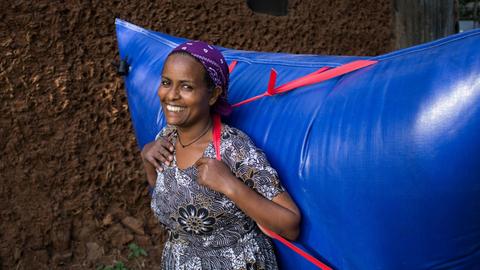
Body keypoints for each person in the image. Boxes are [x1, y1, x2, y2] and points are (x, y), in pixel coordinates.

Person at [141, 40, 301, 269]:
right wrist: (147, 158)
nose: (171, 95)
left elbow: (290, 225)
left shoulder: (233, 149)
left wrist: (230, 185)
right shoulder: (166, 137)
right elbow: (162, 189)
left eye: (186, 86)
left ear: (213, 94)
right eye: (167, 82)